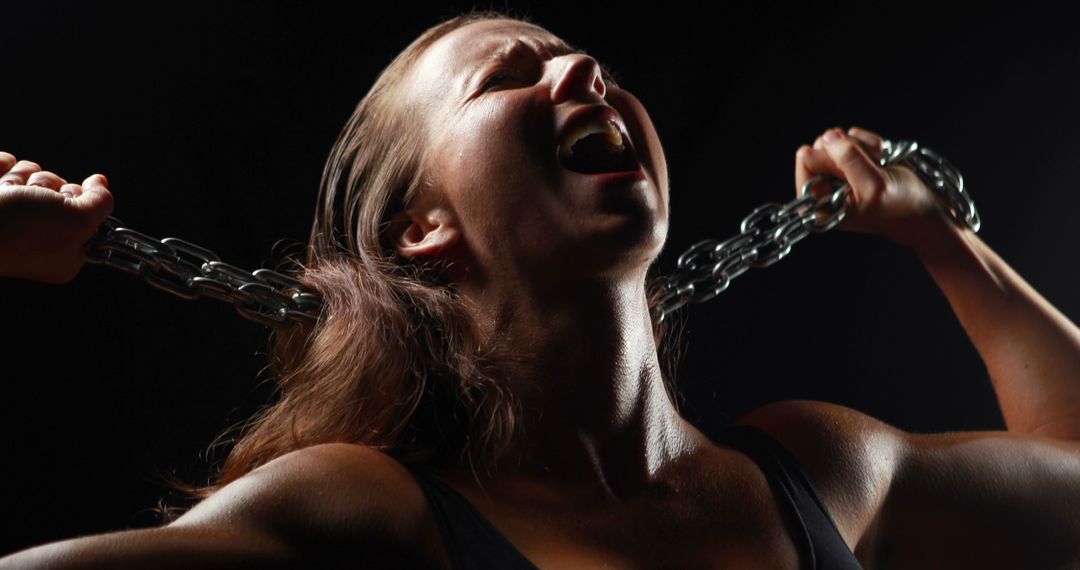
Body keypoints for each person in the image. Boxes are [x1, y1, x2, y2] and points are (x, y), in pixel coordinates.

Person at [2, 8, 1079, 570]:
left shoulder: (818, 474)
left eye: (579, 58)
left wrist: (942, 240)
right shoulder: (368, 518)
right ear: (421, 228)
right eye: (508, 74)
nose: (582, 73)